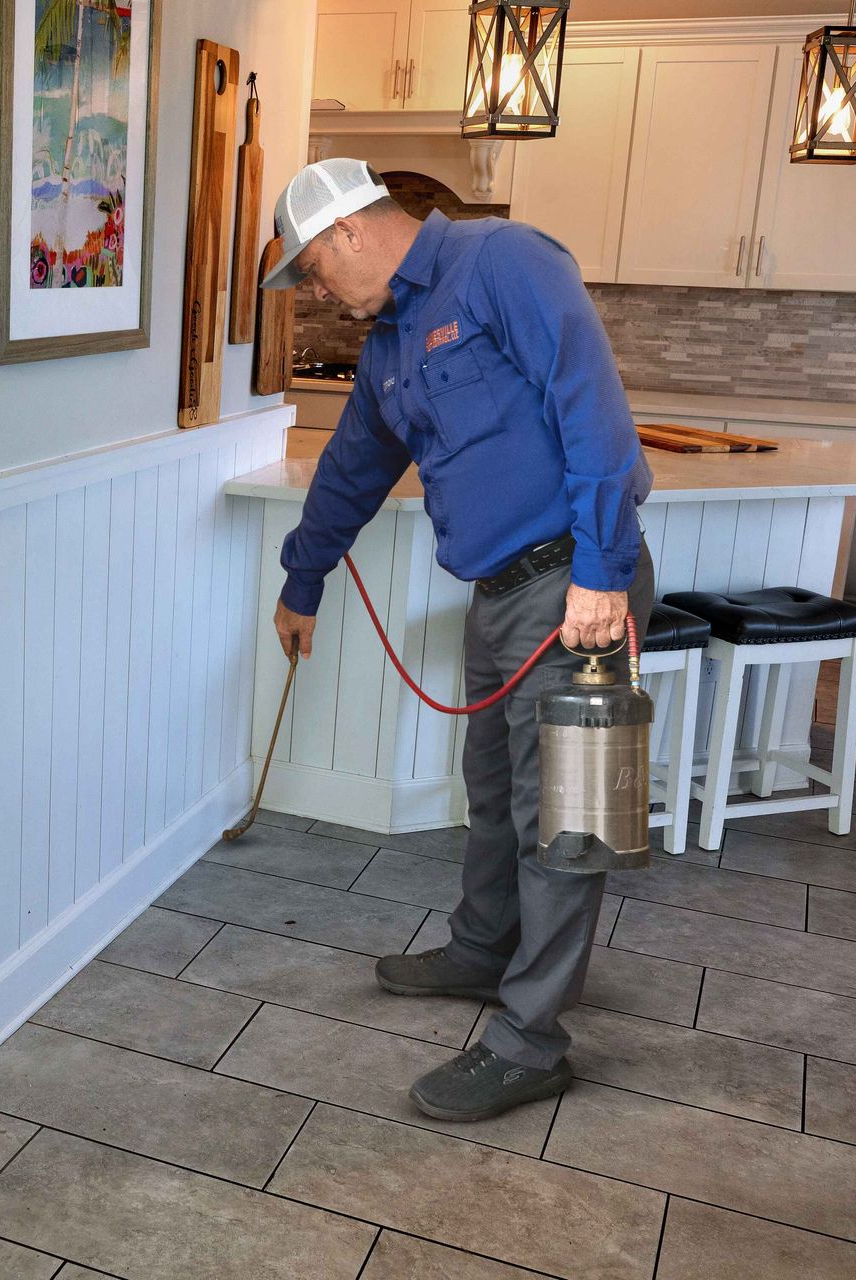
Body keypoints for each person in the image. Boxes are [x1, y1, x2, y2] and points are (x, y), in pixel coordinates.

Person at [262, 158, 655, 1122]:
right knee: (494, 792)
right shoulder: (391, 343)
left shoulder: (505, 262)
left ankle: (530, 1044)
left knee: (566, 818)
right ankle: (483, 951)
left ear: (350, 230)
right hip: (499, 595)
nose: (316, 290)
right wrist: (303, 579)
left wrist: (603, 574)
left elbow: (592, 407)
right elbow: (353, 467)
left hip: (575, 590)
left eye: (313, 268)